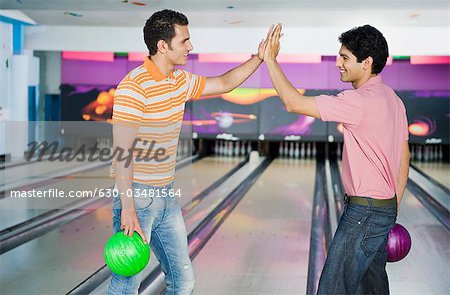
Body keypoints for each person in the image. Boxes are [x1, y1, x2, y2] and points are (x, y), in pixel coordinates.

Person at [109, 9, 276, 295]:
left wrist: (259, 57)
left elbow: (224, 82)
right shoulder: (133, 88)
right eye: (184, 40)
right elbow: (122, 153)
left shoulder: (180, 81)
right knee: (126, 283)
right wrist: (127, 209)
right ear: (163, 46)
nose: (191, 46)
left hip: (166, 196)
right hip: (138, 198)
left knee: (183, 281)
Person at [263, 24, 410, 294]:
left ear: (366, 63)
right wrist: (392, 210)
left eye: (345, 57)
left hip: (363, 213)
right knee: (373, 287)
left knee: (333, 288)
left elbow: (294, 103)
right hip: (385, 208)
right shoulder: (394, 99)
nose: (338, 63)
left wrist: (270, 60)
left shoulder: (357, 101)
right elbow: (404, 156)